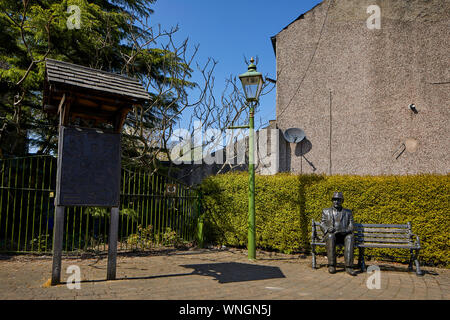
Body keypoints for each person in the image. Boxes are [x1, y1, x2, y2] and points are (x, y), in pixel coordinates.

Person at [320, 192, 357, 276]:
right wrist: (327, 229)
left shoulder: (348, 212)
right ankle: (332, 265)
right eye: (334, 200)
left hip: (344, 235)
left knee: (350, 237)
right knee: (330, 236)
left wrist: (345, 231)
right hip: (332, 236)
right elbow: (322, 224)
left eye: (338, 200)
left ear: (342, 201)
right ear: (332, 201)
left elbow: (351, 227)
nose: (336, 202)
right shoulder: (326, 211)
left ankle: (349, 267)